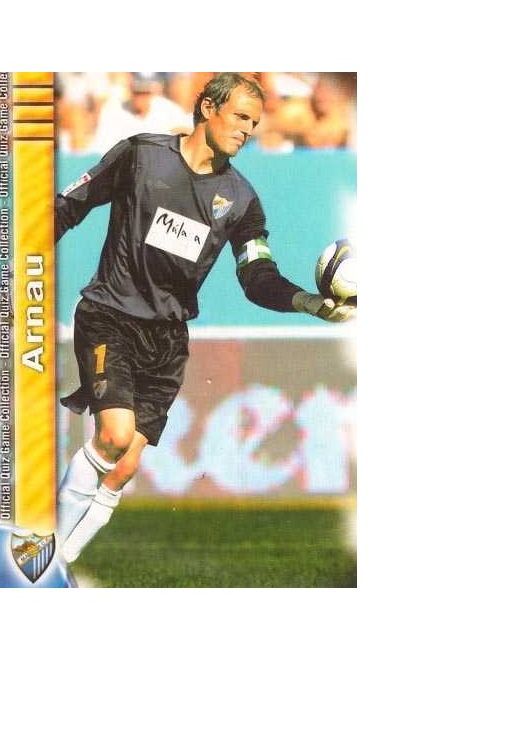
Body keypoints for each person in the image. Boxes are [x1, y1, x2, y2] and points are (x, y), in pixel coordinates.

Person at [54, 72, 355, 568]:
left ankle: (59, 562)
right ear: (208, 109)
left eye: (254, 122)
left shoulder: (241, 200)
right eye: (240, 117)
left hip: (167, 342)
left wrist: (306, 302)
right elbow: (70, 207)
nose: (247, 130)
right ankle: (40, 565)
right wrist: (21, 260)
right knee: (113, 436)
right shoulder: (141, 155)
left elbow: (256, 276)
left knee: (123, 466)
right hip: (110, 316)